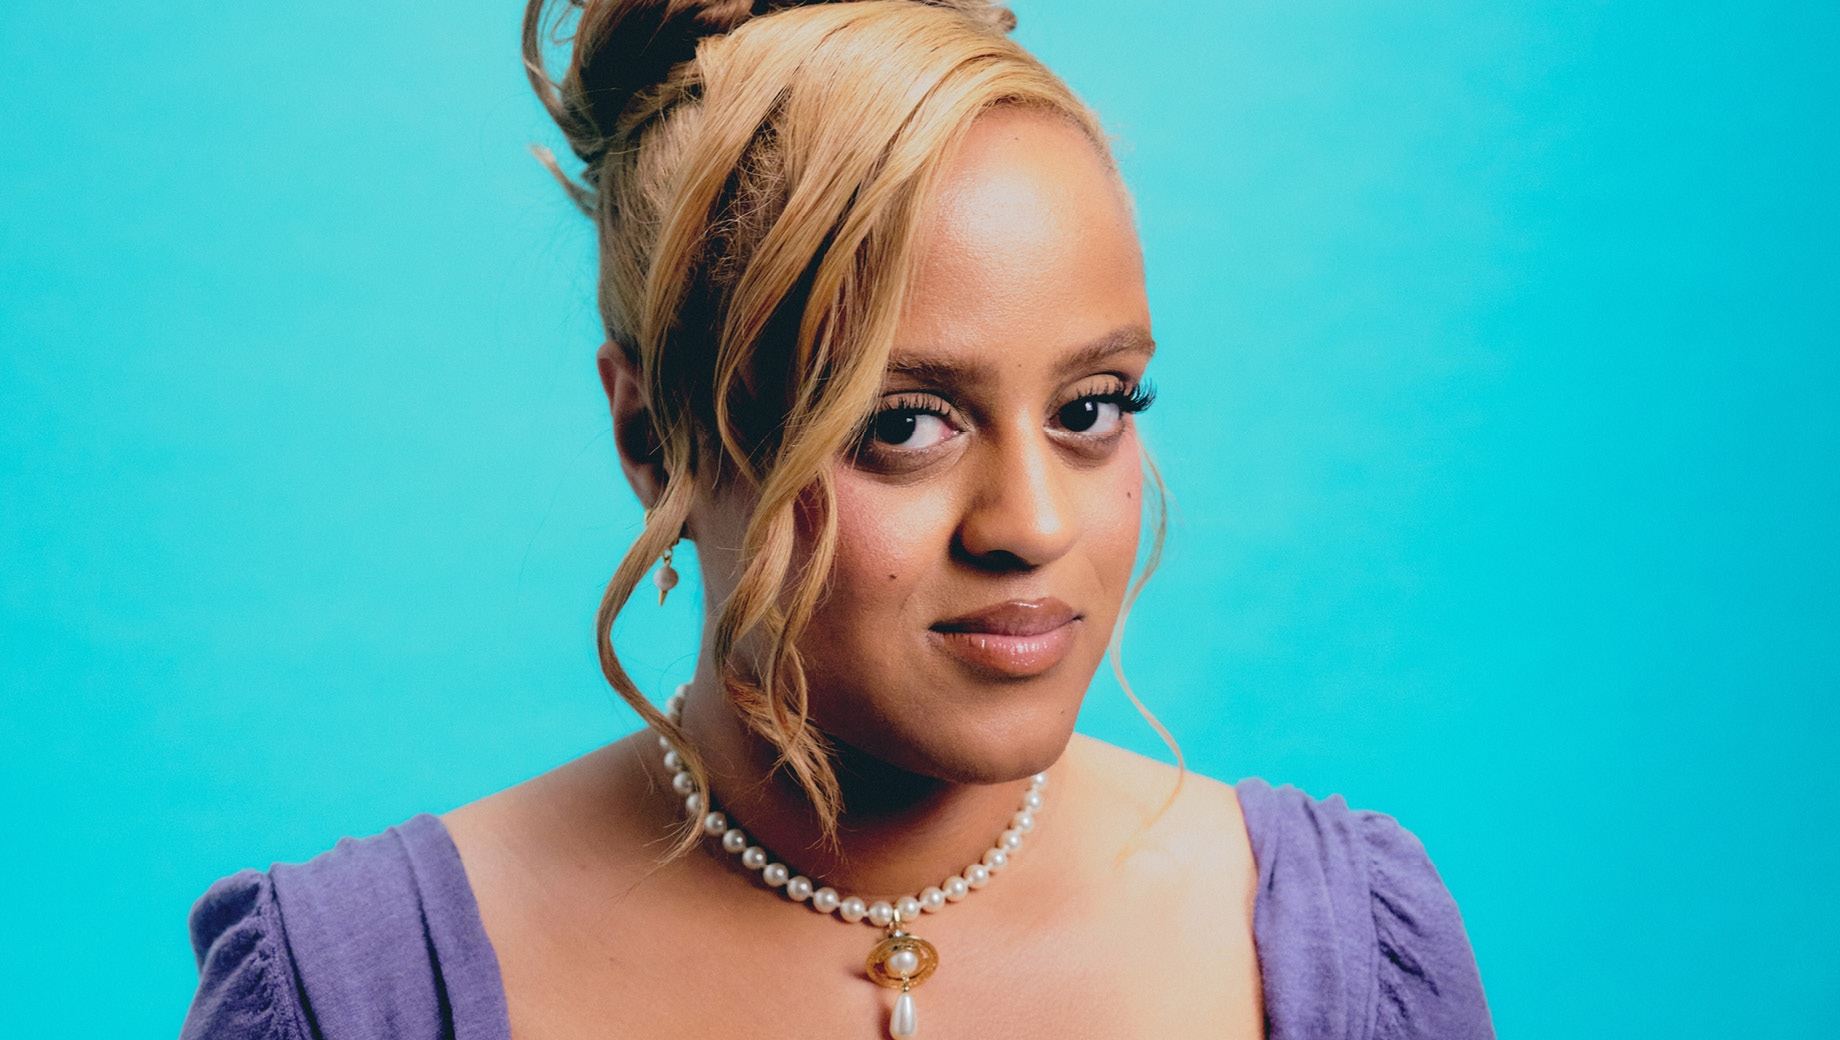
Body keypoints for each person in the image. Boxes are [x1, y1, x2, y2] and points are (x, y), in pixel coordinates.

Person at [180, 2, 1495, 1037]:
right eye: (903, 425)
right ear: (654, 437)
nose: (1032, 524)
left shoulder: (1347, 954)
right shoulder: (354, 994)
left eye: (1092, 407)